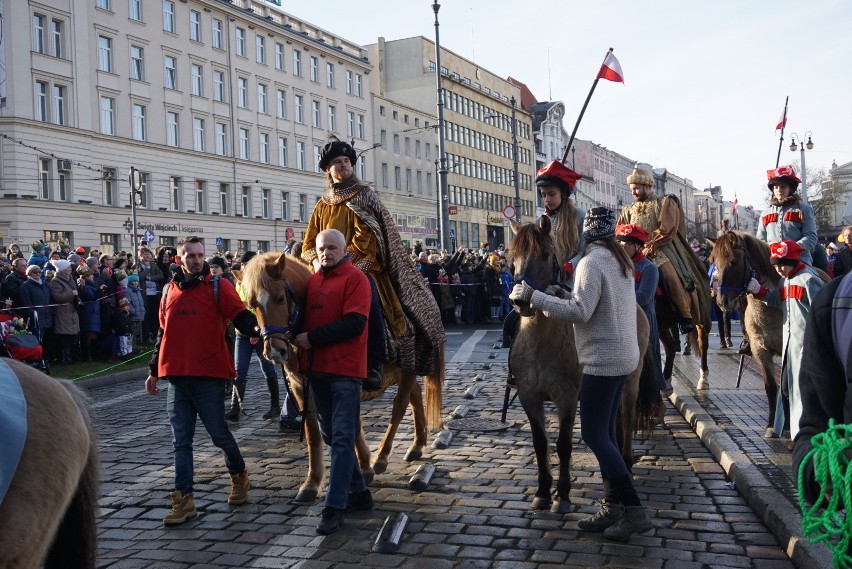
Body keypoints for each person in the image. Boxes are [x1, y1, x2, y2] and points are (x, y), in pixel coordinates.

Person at [510, 207, 652, 542]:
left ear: (588, 234)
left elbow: (580, 311)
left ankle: (634, 511)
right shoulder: (621, 262)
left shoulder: (591, 262)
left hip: (602, 361)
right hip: (623, 358)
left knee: (594, 435)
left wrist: (536, 297)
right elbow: (594, 303)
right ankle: (613, 506)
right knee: (608, 434)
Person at [301, 138, 443, 390]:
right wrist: (314, 262)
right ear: (327, 170)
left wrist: (346, 266)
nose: (344, 165)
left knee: (371, 303)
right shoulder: (322, 204)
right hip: (324, 268)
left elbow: (365, 240)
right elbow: (309, 242)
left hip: (363, 267)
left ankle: (374, 363)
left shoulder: (364, 195)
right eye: (337, 162)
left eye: (347, 161)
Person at [145, 236, 260, 525]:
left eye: (200, 255)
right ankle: (183, 500)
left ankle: (239, 476)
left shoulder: (218, 286)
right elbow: (163, 334)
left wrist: (259, 328)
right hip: (176, 376)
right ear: (178, 259)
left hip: (209, 375)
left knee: (219, 435)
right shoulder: (168, 290)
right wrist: (153, 370)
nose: (196, 260)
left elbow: (240, 316)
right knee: (180, 442)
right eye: (190, 255)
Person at [293, 229, 373, 535]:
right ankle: (360, 493)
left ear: (344, 249)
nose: (326, 253)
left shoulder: (356, 279)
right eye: (321, 248)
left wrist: (312, 338)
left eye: (331, 248)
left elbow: (354, 324)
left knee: (341, 439)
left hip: (345, 371)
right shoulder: (313, 280)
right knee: (330, 436)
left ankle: (334, 505)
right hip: (317, 372)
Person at [747, 240, 824, 439]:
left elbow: (820, 312)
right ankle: (786, 427)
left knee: (802, 390)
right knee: (787, 388)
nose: (778, 269)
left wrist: (815, 339)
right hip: (789, 343)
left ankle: (804, 433)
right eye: (775, 265)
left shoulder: (809, 279)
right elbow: (777, 302)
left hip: (805, 344)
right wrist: (759, 291)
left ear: (792, 261)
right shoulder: (784, 281)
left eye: (782, 264)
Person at [618, 166, 706, 336]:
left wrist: (649, 244)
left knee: (669, 274)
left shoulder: (663, 202)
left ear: (647, 187)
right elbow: (621, 230)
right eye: (632, 189)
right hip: (633, 250)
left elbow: (667, 228)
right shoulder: (628, 209)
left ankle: (684, 314)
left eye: (636, 188)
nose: (634, 192)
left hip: (659, 248)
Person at [792, 270, 852, 507]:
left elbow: (810, 236)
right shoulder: (833, 302)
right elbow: (815, 429)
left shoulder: (807, 279)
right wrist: (821, 465)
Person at [225, 250, 287, 423]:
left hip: (260, 333)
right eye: (244, 265)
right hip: (241, 334)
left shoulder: (261, 282)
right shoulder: (239, 282)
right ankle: (235, 408)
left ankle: (275, 405)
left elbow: (261, 308)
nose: (244, 268)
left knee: (267, 368)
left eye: (247, 265)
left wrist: (256, 331)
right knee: (239, 371)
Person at [616, 224, 666, 398]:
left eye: (627, 244)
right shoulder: (615, 265)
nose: (623, 247)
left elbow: (644, 297)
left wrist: (615, 299)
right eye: (620, 244)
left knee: (649, 361)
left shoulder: (649, 268)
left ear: (637, 246)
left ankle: (655, 397)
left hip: (642, 319)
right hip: (620, 319)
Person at [48, 259, 80, 364]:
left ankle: (68, 356)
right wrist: (72, 293)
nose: (70, 269)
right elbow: (57, 297)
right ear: (62, 270)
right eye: (68, 268)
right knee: (64, 336)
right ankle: (62, 357)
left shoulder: (70, 278)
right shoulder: (55, 281)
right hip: (63, 311)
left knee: (71, 336)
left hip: (71, 310)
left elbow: (76, 292)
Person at [136, 247, 164, 343]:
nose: (147, 256)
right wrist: (147, 270)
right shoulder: (138, 266)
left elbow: (161, 275)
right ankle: (146, 336)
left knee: (154, 315)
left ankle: (155, 334)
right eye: (145, 254)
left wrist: (150, 278)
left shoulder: (154, 265)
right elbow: (139, 277)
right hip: (144, 294)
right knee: (146, 315)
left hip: (154, 294)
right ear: (141, 256)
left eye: (149, 254)